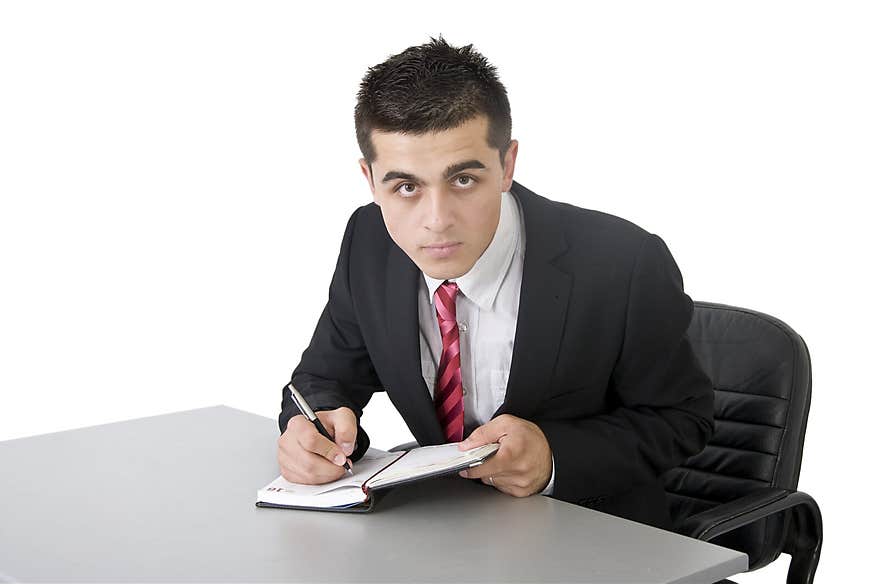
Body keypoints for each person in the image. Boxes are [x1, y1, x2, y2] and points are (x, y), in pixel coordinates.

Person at [276, 36, 714, 530]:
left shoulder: (623, 263)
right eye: (405, 187)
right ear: (369, 179)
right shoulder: (369, 241)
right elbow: (324, 378)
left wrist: (553, 458)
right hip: (443, 533)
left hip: (593, 538)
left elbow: (683, 420)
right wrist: (312, 428)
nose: (436, 221)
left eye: (463, 179)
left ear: (506, 165)